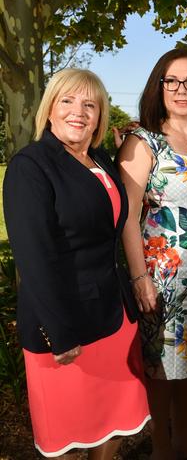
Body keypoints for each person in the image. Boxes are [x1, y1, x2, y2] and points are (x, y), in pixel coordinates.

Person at [3, 69, 149, 458]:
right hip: (66, 327)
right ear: (49, 108)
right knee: (67, 441)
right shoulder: (30, 166)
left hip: (113, 318)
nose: (78, 112)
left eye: (90, 104)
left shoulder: (99, 159)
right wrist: (60, 332)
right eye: (67, 101)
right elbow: (34, 258)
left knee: (115, 427)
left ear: (101, 115)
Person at [117, 48, 187, 459]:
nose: (182, 89)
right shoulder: (142, 140)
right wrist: (138, 276)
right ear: (159, 87)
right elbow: (126, 216)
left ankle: (183, 442)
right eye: (173, 81)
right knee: (161, 370)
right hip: (161, 279)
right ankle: (162, 450)